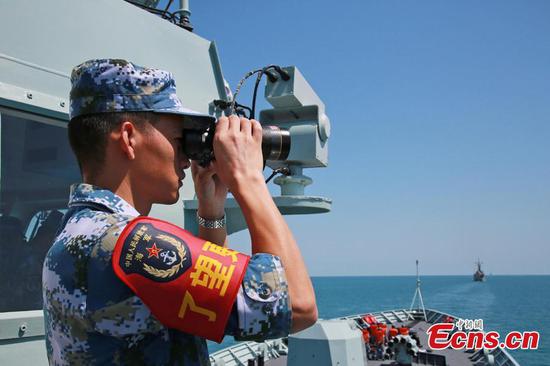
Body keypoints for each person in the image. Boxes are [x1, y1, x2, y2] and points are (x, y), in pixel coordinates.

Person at [42, 59, 317, 365]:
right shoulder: (129, 245)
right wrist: (248, 178)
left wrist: (210, 209)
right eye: (178, 140)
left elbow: (207, 292)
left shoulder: (81, 230)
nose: (186, 159)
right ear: (129, 138)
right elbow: (297, 304)